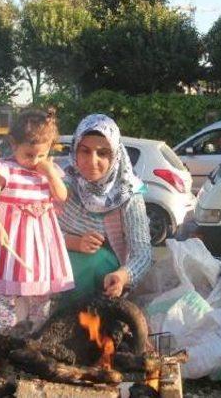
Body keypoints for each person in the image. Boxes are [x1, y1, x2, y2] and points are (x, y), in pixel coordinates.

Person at [0, 109, 74, 333]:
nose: (35, 161)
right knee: (7, 291)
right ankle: (5, 334)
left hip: (41, 244)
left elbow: (62, 196)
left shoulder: (48, 169)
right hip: (13, 240)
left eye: (42, 155)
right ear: (13, 143)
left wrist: (49, 172)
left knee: (40, 291)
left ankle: (36, 332)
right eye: (29, 155)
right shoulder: (5, 168)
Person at [58, 114, 152, 305]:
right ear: (75, 151)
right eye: (85, 151)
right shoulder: (63, 185)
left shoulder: (128, 195)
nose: (92, 161)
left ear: (115, 155)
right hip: (55, 269)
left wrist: (122, 276)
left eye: (102, 153)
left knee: (94, 261)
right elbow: (38, 234)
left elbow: (142, 253)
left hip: (102, 284)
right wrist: (73, 242)